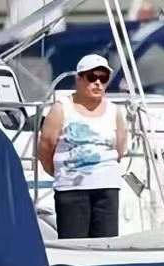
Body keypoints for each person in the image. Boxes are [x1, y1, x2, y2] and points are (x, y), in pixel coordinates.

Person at [36, 53, 126, 239]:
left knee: (106, 246)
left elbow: (120, 148)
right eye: (92, 77)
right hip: (71, 189)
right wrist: (60, 172)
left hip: (107, 189)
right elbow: (46, 147)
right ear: (79, 78)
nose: (98, 83)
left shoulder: (114, 110)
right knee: (74, 246)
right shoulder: (61, 109)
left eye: (103, 78)